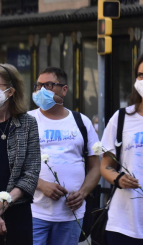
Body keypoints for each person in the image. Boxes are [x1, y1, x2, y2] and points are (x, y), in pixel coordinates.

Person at [27, 67, 100, 245]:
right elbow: (15, 164)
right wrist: (41, 185)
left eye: (49, 85)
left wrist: (82, 193)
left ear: (64, 89)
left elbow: (96, 167)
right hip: (34, 213)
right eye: (38, 86)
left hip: (70, 215)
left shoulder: (81, 122)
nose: (41, 90)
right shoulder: (26, 121)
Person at [0, 63, 40, 245]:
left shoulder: (28, 123)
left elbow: (32, 171)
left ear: (11, 91)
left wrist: (5, 203)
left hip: (17, 211)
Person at [100, 56, 143, 244]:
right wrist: (119, 178)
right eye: (140, 75)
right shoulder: (122, 118)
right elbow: (105, 165)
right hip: (124, 223)